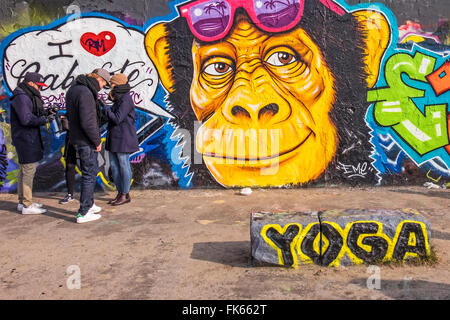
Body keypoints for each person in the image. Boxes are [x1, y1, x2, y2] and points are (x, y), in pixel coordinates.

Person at [66, 68, 110, 223]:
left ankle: (89, 204)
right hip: (86, 140)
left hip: (77, 137)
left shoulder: (74, 89)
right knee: (89, 173)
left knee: (89, 171)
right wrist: (96, 141)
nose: (103, 86)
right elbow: (88, 121)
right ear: (98, 79)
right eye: (104, 83)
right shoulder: (86, 93)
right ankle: (83, 212)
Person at [10, 72, 55, 214]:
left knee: (24, 170)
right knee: (29, 171)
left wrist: (46, 112)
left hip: (25, 138)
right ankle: (27, 205)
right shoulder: (22, 97)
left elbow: (31, 113)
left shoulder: (24, 95)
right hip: (25, 138)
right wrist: (45, 120)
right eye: (38, 85)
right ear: (30, 83)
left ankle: (23, 202)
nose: (39, 89)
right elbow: (26, 119)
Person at [104, 74, 139, 205]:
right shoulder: (118, 98)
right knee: (114, 166)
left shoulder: (126, 99)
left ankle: (124, 194)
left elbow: (117, 118)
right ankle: (120, 193)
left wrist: (106, 109)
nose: (110, 86)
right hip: (114, 137)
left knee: (123, 165)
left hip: (123, 138)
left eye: (112, 84)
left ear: (118, 84)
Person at [58, 115, 76, 204]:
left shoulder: (86, 102)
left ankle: (89, 197)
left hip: (83, 139)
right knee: (69, 166)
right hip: (71, 139)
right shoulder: (71, 103)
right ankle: (70, 194)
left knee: (86, 167)